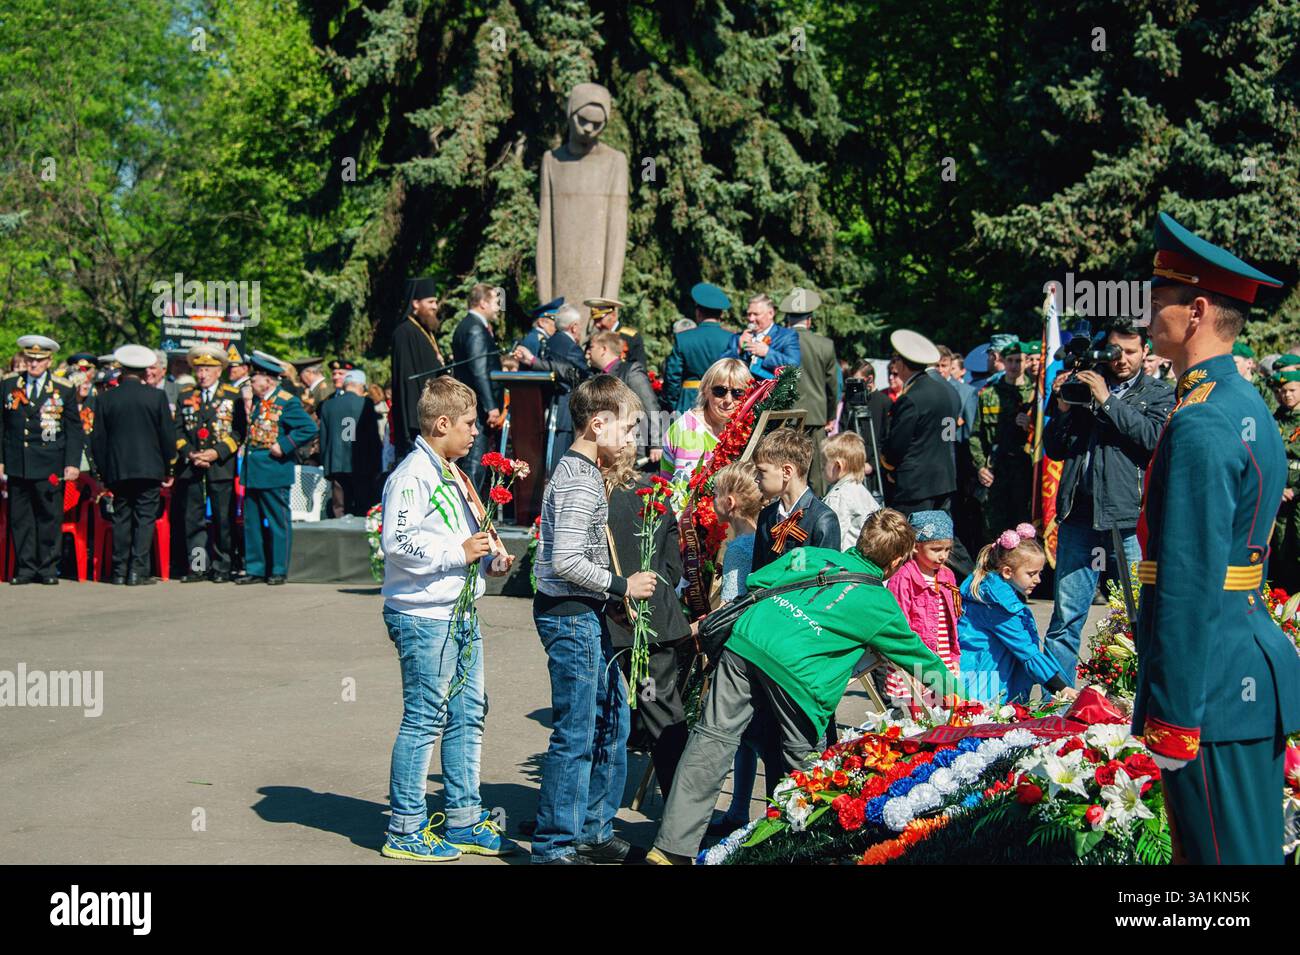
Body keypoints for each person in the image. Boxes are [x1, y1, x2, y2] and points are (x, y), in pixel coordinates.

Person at [646, 508, 961, 864]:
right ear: (898, 561)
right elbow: (922, 660)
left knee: (712, 740)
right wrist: (962, 701)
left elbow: (758, 582)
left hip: (749, 641)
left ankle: (671, 849)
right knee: (805, 768)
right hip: (800, 674)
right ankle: (800, 854)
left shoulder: (811, 555)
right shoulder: (881, 605)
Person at [1135, 212, 1300, 864]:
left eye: (1159, 299)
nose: (1147, 311)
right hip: (1238, 673)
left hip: (1211, 690)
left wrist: (1173, 712)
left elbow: (1188, 576)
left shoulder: (1203, 421)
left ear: (1196, 309)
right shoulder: (1239, 402)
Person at [378, 375, 515, 862]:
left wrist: (486, 557)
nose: (477, 432)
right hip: (424, 615)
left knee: (467, 713)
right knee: (425, 718)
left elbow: (464, 534)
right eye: (469, 424)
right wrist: (456, 553)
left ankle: (462, 817)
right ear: (442, 424)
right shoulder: (413, 473)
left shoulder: (450, 470)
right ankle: (405, 828)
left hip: (458, 609)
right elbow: (396, 543)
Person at [531, 375, 656, 865]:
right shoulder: (580, 478)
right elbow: (564, 561)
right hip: (571, 616)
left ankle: (593, 829)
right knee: (578, 733)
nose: (629, 440)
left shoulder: (583, 471)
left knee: (612, 723)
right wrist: (622, 586)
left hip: (587, 613)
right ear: (597, 423)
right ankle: (555, 845)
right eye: (626, 430)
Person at [1040, 322, 1173, 683]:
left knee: (1136, 613)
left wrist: (1107, 400)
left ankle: (1135, 697)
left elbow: (1152, 440)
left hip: (1128, 519)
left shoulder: (1159, 392)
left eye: (1130, 352)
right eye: (1115, 352)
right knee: (1065, 616)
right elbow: (1053, 447)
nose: (1122, 360)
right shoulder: (1083, 387)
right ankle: (1057, 701)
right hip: (1079, 516)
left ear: (1146, 352)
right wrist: (1064, 407)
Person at [603, 451, 691, 796]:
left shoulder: (598, 497)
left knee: (610, 714)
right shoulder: (656, 492)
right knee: (659, 708)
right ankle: (678, 807)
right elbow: (673, 567)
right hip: (654, 620)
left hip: (615, 619)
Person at [880, 329, 971, 576]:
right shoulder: (949, 391)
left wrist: (889, 466)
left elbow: (897, 445)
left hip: (915, 482)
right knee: (946, 537)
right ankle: (973, 580)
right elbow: (948, 436)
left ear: (900, 363)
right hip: (944, 476)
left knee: (900, 536)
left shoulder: (911, 398)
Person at [708, 461, 766, 834]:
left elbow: (730, 603)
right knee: (752, 738)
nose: (710, 502)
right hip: (767, 645)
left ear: (729, 503)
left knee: (741, 735)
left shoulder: (739, 549)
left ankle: (738, 808)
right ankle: (739, 809)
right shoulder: (765, 537)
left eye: (714, 496)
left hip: (741, 651)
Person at [0, 335, 84, 585]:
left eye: (38, 360)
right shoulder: (9, 384)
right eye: (29, 359)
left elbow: (73, 429)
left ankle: (48, 568)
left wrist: (72, 463)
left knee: (49, 517)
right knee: (20, 517)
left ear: (49, 361)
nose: (33, 364)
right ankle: (26, 568)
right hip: (19, 460)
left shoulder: (63, 388)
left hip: (49, 462)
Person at [90, 345, 176, 586]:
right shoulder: (156, 396)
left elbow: (98, 439)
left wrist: (103, 471)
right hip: (149, 468)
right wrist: (169, 468)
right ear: (144, 371)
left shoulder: (106, 398)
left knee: (121, 517)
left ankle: (119, 570)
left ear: (122, 369)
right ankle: (138, 570)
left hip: (118, 469)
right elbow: (167, 437)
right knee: (145, 518)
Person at [958, 524, 1069, 704]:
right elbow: (1026, 649)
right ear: (1008, 572)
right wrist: (1061, 687)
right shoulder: (998, 605)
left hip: (978, 675)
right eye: (1032, 573)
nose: (1038, 580)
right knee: (984, 728)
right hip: (983, 684)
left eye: (1040, 573)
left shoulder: (992, 592)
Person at [238, 353, 318, 585]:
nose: (251, 382)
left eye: (255, 377)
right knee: (252, 522)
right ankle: (255, 568)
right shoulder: (259, 402)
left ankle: (278, 569)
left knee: (277, 522)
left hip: (274, 470)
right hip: (254, 470)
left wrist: (283, 446)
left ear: (268, 380)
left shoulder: (286, 401)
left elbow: (308, 428)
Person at [172, 343, 247, 583]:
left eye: (207, 369)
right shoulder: (186, 395)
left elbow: (239, 432)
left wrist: (216, 452)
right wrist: (190, 453)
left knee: (222, 518)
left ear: (219, 370)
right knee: (192, 519)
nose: (202, 374)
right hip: (192, 465)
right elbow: (177, 431)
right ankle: (197, 567)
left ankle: (222, 566)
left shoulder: (231, 395)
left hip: (219, 465)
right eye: (199, 369)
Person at [881, 510, 963, 707]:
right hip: (916, 658)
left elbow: (952, 621)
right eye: (936, 549)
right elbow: (900, 624)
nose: (943, 556)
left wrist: (954, 656)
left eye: (947, 549)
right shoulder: (904, 577)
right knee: (919, 714)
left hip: (943, 655)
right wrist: (911, 668)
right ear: (916, 547)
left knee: (948, 709)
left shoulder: (947, 576)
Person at [660, 357, 752, 509]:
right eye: (719, 391)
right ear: (705, 391)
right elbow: (683, 498)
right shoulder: (689, 431)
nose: (728, 400)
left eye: (738, 393)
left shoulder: (736, 427)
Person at [751, 426, 840, 574]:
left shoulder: (822, 520)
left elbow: (827, 581)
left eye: (761, 471)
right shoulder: (767, 516)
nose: (756, 479)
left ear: (786, 472)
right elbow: (757, 573)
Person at [970, 340, 1037, 534]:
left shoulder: (1036, 395)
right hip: (996, 469)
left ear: (1026, 362)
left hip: (1025, 469)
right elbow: (976, 435)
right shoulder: (989, 395)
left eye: (1019, 360)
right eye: (1010, 360)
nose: (1015, 365)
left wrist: (1030, 426)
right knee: (994, 528)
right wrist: (981, 466)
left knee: (1024, 527)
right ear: (1003, 361)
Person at [514, 303, 589, 469]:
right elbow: (581, 376)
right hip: (564, 413)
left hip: (549, 409)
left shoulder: (550, 341)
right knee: (560, 464)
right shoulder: (571, 348)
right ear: (574, 327)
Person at [782, 288, 837, 494]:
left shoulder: (779, 343)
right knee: (818, 475)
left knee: (787, 469)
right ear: (810, 320)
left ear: (788, 319)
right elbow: (832, 385)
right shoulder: (825, 345)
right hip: (815, 417)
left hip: (785, 417)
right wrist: (830, 415)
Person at [452, 284, 505, 495]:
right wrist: (491, 406)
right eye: (494, 301)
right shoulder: (475, 328)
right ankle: (471, 511)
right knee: (474, 460)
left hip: (471, 404)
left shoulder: (467, 325)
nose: (498, 307)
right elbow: (479, 370)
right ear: (482, 303)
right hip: (476, 408)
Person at [390, 277, 446, 457]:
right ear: (415, 303)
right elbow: (406, 381)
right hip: (417, 422)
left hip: (434, 413)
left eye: (435, 301)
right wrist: (413, 423)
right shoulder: (403, 333)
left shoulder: (425, 331)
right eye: (430, 302)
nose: (435, 306)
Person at [588, 330, 659, 464]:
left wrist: (657, 444)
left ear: (603, 349)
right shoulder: (597, 375)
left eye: (591, 347)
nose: (588, 352)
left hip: (630, 448)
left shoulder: (630, 371)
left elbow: (650, 406)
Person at [319, 369, 382, 517]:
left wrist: (325, 462)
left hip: (336, 463)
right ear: (360, 386)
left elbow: (323, 438)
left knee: (339, 506)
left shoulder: (328, 405)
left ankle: (338, 538)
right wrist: (377, 464)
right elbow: (373, 438)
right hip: (362, 463)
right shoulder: (365, 403)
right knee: (363, 505)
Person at [663, 283, 734, 413]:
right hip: (722, 401)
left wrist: (673, 404)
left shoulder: (683, 338)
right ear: (720, 314)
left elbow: (672, 377)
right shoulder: (732, 339)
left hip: (689, 400)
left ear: (698, 312)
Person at [821, 431, 880, 551]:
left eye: (824, 464)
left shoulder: (838, 497)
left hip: (845, 565)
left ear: (838, 466)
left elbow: (832, 538)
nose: (822, 469)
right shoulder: (862, 491)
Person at [725, 293, 800, 382]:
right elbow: (719, 366)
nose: (751, 319)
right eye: (749, 314)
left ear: (771, 313)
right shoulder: (737, 338)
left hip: (771, 393)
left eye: (756, 314)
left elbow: (794, 367)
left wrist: (767, 353)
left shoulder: (787, 336)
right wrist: (738, 349)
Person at [1272, 369, 1300, 593]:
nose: (1287, 395)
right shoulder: (1275, 418)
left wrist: (1295, 490)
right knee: (1280, 550)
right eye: (1282, 391)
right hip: (1279, 498)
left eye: (1292, 390)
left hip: (1297, 498)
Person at [587, 297, 646, 368]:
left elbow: (639, 368)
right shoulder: (595, 338)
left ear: (613, 316)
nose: (597, 324)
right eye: (595, 320)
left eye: (600, 319)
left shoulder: (631, 337)